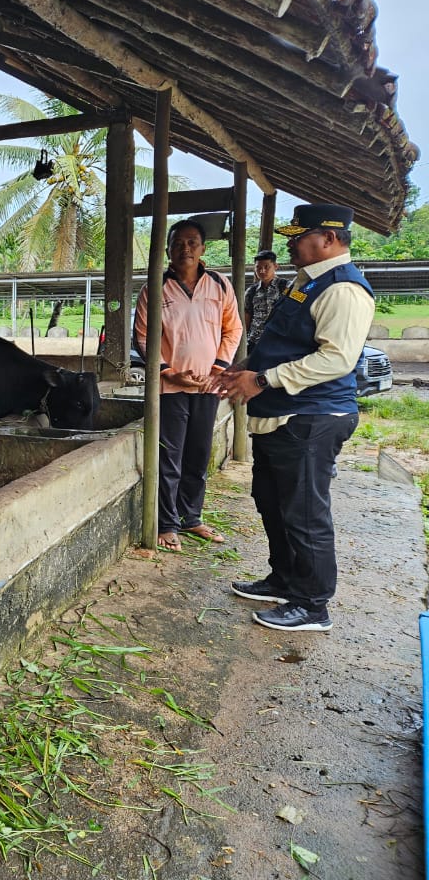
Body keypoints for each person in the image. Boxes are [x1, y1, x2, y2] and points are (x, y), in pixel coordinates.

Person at [216, 203, 375, 632]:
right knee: (272, 501)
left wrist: (263, 381)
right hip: (285, 416)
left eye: (299, 237)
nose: (290, 244)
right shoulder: (307, 284)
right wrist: (244, 368)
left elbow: (336, 360)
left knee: (305, 513)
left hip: (311, 416)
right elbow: (283, 342)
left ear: (329, 238)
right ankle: (284, 578)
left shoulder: (343, 290)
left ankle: (312, 604)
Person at [133, 219, 243, 552]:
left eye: (192, 243)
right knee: (171, 457)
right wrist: (168, 371)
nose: (185, 249)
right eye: (178, 243)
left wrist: (217, 369)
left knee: (198, 455)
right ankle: (167, 524)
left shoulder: (220, 285)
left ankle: (191, 517)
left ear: (203, 249)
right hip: (171, 388)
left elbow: (233, 330)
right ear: (167, 249)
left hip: (208, 386)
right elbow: (142, 337)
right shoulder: (155, 288)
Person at [245, 249, 290, 351]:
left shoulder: (287, 287)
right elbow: (247, 316)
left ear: (275, 266)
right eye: (258, 267)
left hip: (279, 341)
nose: (262, 271)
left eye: (266, 267)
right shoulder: (251, 291)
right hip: (254, 342)